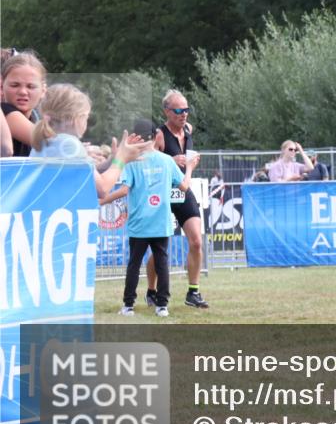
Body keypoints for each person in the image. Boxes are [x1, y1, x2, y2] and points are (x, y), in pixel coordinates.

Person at [103, 119, 199, 318]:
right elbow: (184, 187)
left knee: (134, 265)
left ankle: (128, 306)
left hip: (139, 223)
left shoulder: (132, 163)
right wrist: (189, 168)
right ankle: (162, 306)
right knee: (162, 264)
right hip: (161, 222)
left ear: (134, 138)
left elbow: (123, 190)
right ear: (156, 136)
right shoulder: (166, 161)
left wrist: (102, 200)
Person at [29, 83, 151, 195]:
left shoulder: (48, 141)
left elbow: (84, 173)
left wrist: (111, 161)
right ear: (75, 119)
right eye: (86, 117)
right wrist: (121, 160)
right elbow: (102, 188)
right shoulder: (69, 145)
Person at [149, 90, 210, 310]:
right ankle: (151, 290)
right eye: (178, 110)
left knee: (196, 241)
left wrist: (192, 162)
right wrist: (171, 160)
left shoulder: (188, 129)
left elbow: (188, 161)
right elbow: (148, 161)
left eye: (186, 110)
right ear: (167, 111)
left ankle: (193, 291)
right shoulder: (159, 135)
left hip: (183, 190)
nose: (183, 114)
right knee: (159, 246)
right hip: (162, 192)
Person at [2, 50, 46, 157]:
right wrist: (80, 150)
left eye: (31, 86)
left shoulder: (36, 118)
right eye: (15, 85)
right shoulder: (3, 112)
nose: (23, 92)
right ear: (1, 86)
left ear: (43, 91)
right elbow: (49, 143)